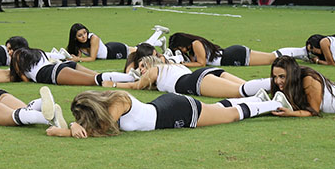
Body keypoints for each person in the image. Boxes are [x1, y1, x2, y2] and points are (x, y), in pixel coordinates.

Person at [45, 89, 282, 138]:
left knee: (228, 116)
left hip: (175, 112)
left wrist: (65, 132)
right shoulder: (109, 103)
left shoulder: (117, 100)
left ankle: (274, 104)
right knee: (218, 109)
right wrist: (74, 126)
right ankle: (255, 98)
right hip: (166, 105)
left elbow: (103, 129)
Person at [111, 55, 262, 100]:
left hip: (192, 82)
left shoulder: (155, 70)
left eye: (143, 66)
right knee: (250, 88)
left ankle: (281, 89)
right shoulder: (171, 67)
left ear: (151, 64)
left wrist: (113, 85)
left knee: (242, 91)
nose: (141, 70)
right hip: (204, 74)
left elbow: (134, 86)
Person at [169, 32, 307, 67]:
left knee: (272, 58)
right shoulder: (193, 47)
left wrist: (182, 64)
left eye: (179, 48)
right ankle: (301, 54)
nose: (181, 50)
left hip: (234, 56)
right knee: (272, 57)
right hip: (231, 55)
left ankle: (302, 51)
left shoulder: (195, 44)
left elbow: (201, 64)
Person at [8, 48, 136, 86]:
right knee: (96, 75)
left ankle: (132, 78)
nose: (9, 53)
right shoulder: (37, 52)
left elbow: (24, 78)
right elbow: (58, 55)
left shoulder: (18, 57)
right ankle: (131, 77)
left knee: (96, 80)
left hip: (53, 73)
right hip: (62, 66)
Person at [65, 23, 155, 62]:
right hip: (109, 48)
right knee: (140, 48)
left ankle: (158, 33)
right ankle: (159, 41)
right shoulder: (77, 45)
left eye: (84, 33)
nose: (84, 36)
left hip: (115, 51)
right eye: (80, 35)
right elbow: (76, 57)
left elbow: (92, 58)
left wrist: (77, 59)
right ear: (75, 38)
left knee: (142, 51)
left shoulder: (93, 38)